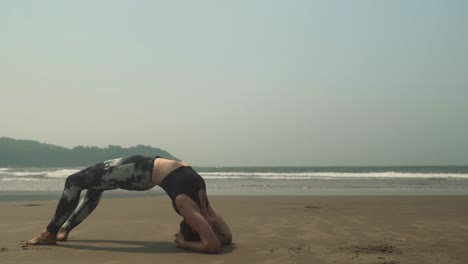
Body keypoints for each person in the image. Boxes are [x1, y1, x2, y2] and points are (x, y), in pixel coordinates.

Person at [27, 155, 232, 253]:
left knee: (73, 182)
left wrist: (185, 243)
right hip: (141, 168)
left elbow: (212, 245)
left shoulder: (195, 206)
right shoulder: (201, 212)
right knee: (95, 186)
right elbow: (223, 239)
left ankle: (49, 233)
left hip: (139, 171)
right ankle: (63, 230)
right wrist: (187, 241)